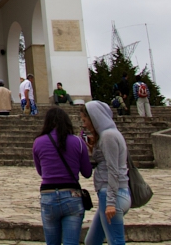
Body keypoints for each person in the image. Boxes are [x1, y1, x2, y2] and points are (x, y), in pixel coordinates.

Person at [33, 107, 92, 245]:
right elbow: (87, 173)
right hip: (72, 195)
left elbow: (41, 172)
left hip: (48, 195)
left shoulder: (38, 142)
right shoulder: (78, 142)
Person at [81, 101, 130, 245]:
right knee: (92, 241)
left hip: (112, 194)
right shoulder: (108, 134)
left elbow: (113, 170)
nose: (84, 125)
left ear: (94, 118)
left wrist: (110, 203)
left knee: (115, 241)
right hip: (115, 193)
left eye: (85, 120)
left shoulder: (108, 137)